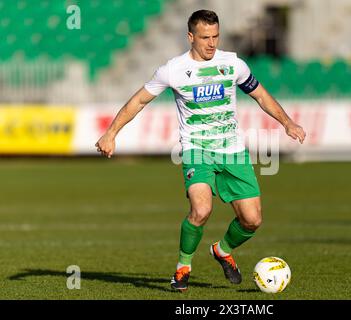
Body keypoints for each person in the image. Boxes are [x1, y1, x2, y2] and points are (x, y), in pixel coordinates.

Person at [95, 9, 306, 291]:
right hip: (197, 150)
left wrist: (287, 123)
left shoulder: (233, 64)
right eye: (205, 37)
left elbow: (260, 95)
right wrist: (111, 132)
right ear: (190, 37)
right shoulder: (173, 69)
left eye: (216, 36)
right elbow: (138, 101)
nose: (211, 43)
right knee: (201, 209)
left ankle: (222, 250)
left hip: (233, 150)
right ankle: (183, 267)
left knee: (252, 220)